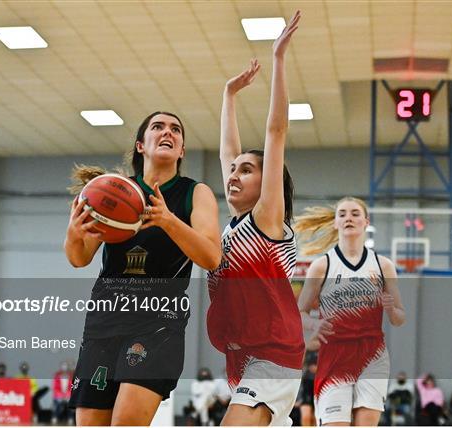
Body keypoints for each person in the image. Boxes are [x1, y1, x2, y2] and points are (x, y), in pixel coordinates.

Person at [65, 111, 221, 426]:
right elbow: (79, 258)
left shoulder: (195, 193)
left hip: (158, 324)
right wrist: (73, 230)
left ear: (182, 150)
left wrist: (167, 220)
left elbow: (211, 257)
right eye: (158, 127)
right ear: (141, 145)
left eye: (176, 129)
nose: (168, 132)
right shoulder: (114, 191)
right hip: (104, 322)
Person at [207, 10, 304, 426]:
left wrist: (278, 61)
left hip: (273, 350)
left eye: (247, 171)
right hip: (241, 352)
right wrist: (228, 97)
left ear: (269, 185)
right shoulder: (236, 223)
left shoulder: (267, 218)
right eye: (233, 170)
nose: (234, 174)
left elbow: (275, 132)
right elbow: (230, 152)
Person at [295, 197, 406, 426]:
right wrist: (314, 324)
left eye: (355, 213)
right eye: (343, 213)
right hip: (335, 355)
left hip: (372, 356)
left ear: (366, 221)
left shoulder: (383, 265)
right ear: (335, 223)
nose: (349, 218)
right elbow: (299, 313)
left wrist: (391, 309)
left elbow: (400, 318)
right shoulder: (322, 265)